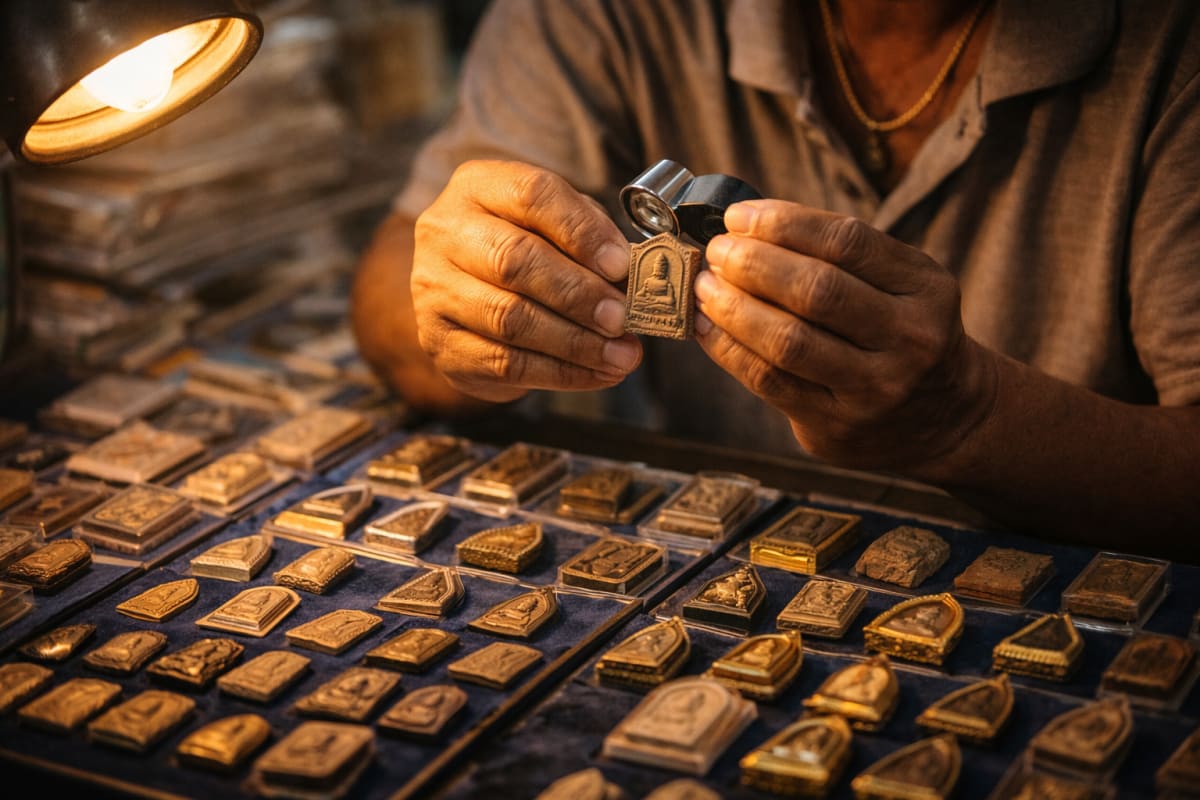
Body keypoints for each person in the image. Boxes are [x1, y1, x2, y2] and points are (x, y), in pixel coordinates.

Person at [351, 0, 1200, 557]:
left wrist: (966, 418)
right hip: (713, 550)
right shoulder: (595, 13)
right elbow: (397, 288)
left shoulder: (1172, 41)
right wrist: (456, 311)